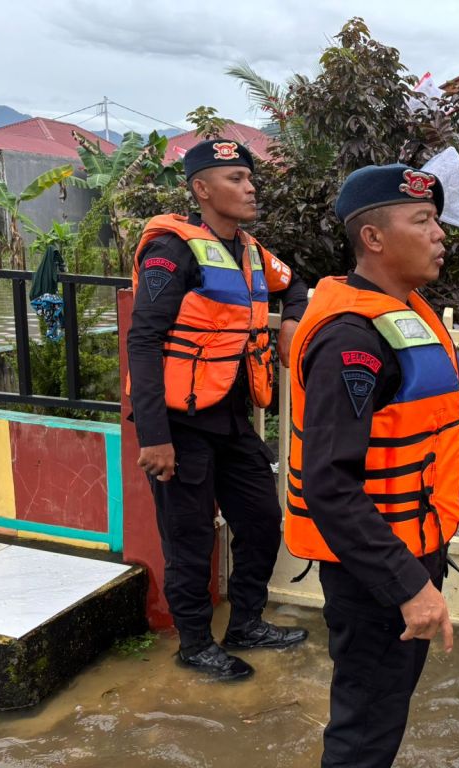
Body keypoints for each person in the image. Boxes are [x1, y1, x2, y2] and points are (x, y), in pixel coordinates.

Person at [283, 163, 459, 767]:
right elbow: (329, 484)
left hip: (407, 549)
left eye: (436, 219)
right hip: (377, 568)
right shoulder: (352, 339)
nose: (439, 233)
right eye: (422, 220)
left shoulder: (402, 310)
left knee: (383, 708)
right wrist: (409, 586)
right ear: (374, 238)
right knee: (365, 724)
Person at [126, 139, 309, 681]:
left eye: (250, 177)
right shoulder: (171, 249)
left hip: (229, 418)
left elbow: (294, 285)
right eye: (235, 178)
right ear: (201, 189)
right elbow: (144, 340)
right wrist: (153, 436)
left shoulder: (250, 250)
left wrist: (293, 321)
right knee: (190, 537)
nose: (250, 186)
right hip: (180, 426)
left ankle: (247, 622)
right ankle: (195, 644)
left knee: (261, 520)